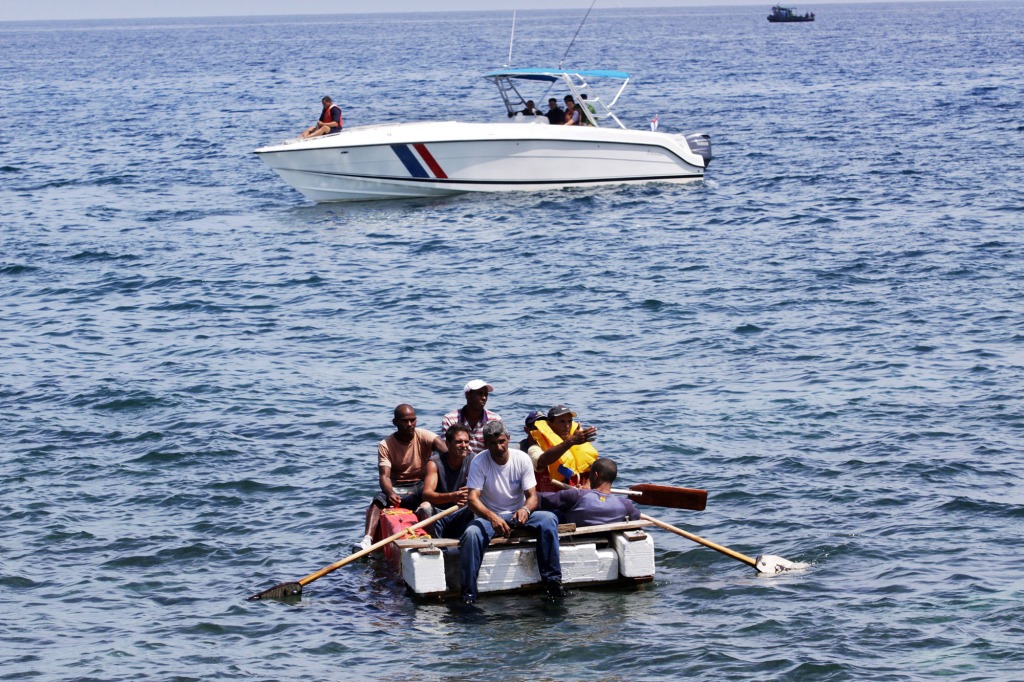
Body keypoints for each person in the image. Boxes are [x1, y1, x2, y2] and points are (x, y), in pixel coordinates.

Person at [459, 421, 564, 604]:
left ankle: (553, 583)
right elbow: (472, 499)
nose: (498, 447)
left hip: (518, 514)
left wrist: (525, 509)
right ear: (486, 444)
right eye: (492, 444)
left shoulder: (522, 459)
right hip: (489, 517)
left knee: (549, 519)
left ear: (508, 438)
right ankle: (469, 594)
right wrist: (492, 517)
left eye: (501, 441)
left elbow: (532, 497)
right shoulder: (479, 462)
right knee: (471, 534)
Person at [354, 404, 446, 551]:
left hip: (421, 485)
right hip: (399, 488)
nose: (409, 424)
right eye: (404, 421)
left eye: (412, 420)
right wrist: (390, 493)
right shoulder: (386, 445)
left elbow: (445, 451)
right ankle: (367, 540)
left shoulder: (424, 435)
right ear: (395, 422)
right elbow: (384, 476)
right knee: (378, 500)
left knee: (433, 492)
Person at [546, 458, 640, 526]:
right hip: (605, 543)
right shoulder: (626, 505)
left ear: (595, 476)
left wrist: (579, 494)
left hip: (576, 540)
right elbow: (636, 517)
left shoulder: (575, 496)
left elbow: (539, 499)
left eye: (589, 475)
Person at [422, 424, 478, 539]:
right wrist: (452, 496)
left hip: (462, 513)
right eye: (459, 442)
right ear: (447, 444)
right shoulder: (434, 463)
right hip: (439, 513)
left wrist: (473, 491)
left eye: (466, 442)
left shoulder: (474, 461)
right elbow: (426, 495)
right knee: (425, 507)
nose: (464, 446)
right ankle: (436, 545)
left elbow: (486, 488)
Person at [529, 404, 598, 487]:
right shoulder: (536, 446)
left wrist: (587, 485)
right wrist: (571, 441)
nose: (567, 426)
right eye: (562, 421)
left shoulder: (577, 441)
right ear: (550, 424)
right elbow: (541, 461)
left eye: (569, 421)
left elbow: (594, 467)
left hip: (578, 493)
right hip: (550, 497)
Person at [440, 379, 501, 454]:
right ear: (467, 395)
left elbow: (498, 447)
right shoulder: (450, 419)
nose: (484, 398)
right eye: (480, 394)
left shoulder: (494, 419)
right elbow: (446, 448)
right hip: (459, 463)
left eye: (486, 394)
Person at [519, 410, 560, 493]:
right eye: (536, 428)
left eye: (543, 426)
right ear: (526, 430)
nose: (541, 431)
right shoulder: (519, 450)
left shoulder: (554, 445)